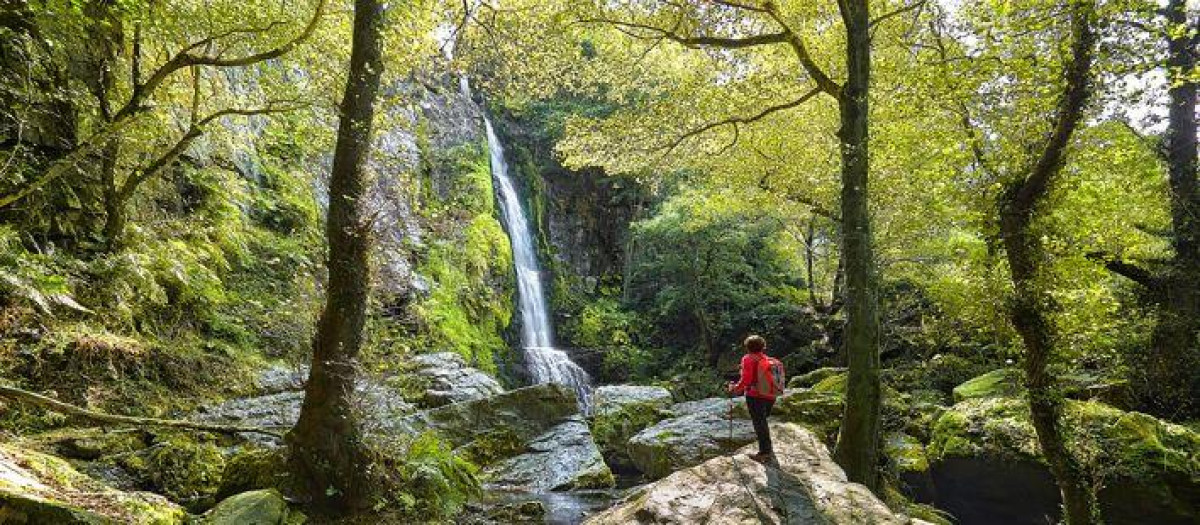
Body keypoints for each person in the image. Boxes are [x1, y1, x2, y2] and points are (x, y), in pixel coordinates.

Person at [727, 334, 775, 462]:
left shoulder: (748, 359)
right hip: (770, 394)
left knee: (759, 423)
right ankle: (767, 447)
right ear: (763, 346)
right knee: (763, 420)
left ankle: (765, 452)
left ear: (747, 347)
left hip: (756, 396)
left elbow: (746, 380)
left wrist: (735, 388)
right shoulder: (767, 359)